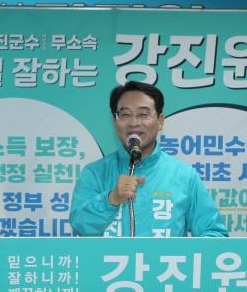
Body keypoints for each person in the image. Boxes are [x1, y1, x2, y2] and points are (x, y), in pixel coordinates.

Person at [70, 81, 227, 238]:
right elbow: (80, 226)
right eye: (125, 114)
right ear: (115, 121)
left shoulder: (185, 176)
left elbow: (213, 233)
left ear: (160, 121)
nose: (134, 123)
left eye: (143, 114)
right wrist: (112, 198)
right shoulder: (95, 173)